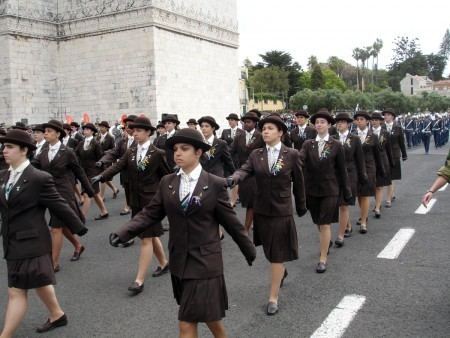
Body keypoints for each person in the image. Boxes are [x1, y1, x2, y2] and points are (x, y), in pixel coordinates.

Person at [109, 128, 256, 338]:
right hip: (179, 261)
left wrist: (248, 250)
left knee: (186, 323)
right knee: (207, 317)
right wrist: (124, 232)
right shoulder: (167, 182)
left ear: (198, 152)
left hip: (205, 264)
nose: (177, 153)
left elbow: (232, 223)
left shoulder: (214, 184)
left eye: (184, 149)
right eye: (175, 149)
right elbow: (150, 213)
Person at [0, 129, 88, 337]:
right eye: (4, 146)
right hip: (11, 242)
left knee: (17, 292)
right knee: (40, 280)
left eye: (10, 147)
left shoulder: (39, 178)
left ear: (24, 150)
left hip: (32, 242)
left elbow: (59, 205)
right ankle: (57, 314)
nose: (4, 150)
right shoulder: (4, 176)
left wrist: (79, 227)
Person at [230, 114, 306, 315]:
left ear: (280, 132)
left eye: (270, 128)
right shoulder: (256, 154)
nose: (265, 131)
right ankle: (281, 270)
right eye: (263, 129)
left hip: (282, 210)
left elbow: (299, 183)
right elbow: (244, 170)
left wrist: (301, 206)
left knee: (276, 255)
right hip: (262, 210)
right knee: (269, 251)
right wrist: (233, 179)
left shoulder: (292, 154)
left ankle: (273, 297)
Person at [92, 117, 170, 294]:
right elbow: (119, 165)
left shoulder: (158, 153)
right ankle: (164, 263)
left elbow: (167, 177)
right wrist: (101, 176)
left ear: (148, 132)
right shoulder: (132, 150)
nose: (135, 133)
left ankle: (139, 280)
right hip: (135, 200)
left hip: (151, 202)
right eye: (133, 131)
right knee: (150, 234)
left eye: (139, 131)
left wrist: (168, 199)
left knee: (146, 238)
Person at [31, 119, 95, 272]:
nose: (45, 133)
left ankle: (53, 263)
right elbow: (33, 168)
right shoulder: (43, 151)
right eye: (44, 131)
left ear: (58, 134)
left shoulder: (67, 152)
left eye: (49, 131)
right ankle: (78, 245)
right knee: (61, 225)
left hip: (63, 193)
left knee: (56, 228)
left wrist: (88, 190)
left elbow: (79, 171)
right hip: (48, 192)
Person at [300, 108, 351, 273]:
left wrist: (347, 190)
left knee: (325, 222)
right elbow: (299, 161)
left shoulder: (335, 145)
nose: (319, 124)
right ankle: (325, 241)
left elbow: (342, 170)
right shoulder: (308, 144)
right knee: (317, 221)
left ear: (329, 125)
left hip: (330, 189)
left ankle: (323, 258)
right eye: (317, 122)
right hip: (312, 189)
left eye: (322, 122)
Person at [333, 112, 367, 245]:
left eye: (342, 122)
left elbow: (360, 159)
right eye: (338, 122)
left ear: (348, 124)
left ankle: (343, 232)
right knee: (339, 203)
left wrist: (362, 175)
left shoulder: (355, 139)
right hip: (335, 175)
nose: (340, 124)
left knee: (344, 204)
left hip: (350, 174)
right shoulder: (332, 138)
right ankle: (347, 225)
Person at [230, 111, 264, 233]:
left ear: (255, 123)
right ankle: (257, 223)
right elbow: (231, 152)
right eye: (244, 122)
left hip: (257, 174)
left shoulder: (261, 136)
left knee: (251, 202)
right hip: (244, 174)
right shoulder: (239, 137)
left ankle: (246, 229)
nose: (245, 124)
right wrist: (233, 168)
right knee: (249, 201)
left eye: (248, 122)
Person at [97, 115, 137, 217]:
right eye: (126, 125)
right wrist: (102, 161)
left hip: (139, 174)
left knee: (141, 202)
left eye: (130, 125)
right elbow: (113, 153)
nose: (127, 127)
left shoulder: (141, 141)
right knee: (128, 192)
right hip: (126, 172)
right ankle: (128, 206)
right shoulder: (122, 141)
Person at [353, 111, 385, 234]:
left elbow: (378, 155)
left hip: (369, 167)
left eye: (362, 119)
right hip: (356, 168)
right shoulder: (352, 135)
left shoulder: (373, 136)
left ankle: (364, 221)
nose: (359, 121)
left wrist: (381, 170)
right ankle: (363, 214)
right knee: (359, 195)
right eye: (357, 119)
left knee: (365, 194)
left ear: (367, 121)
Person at [74, 123, 109, 220]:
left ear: (92, 132)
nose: (85, 131)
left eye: (87, 129)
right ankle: (104, 211)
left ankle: (81, 218)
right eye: (84, 129)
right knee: (95, 193)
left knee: (87, 194)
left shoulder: (96, 143)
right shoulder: (81, 143)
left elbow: (101, 158)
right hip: (84, 172)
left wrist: (102, 173)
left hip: (94, 172)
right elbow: (74, 155)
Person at [382, 109, 407, 207]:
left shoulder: (398, 127)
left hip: (394, 155)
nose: (386, 116)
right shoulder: (381, 127)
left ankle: (388, 199)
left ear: (392, 116)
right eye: (385, 115)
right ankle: (391, 194)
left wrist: (404, 154)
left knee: (391, 177)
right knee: (385, 177)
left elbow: (401, 142)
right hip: (384, 155)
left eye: (388, 115)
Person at [370, 113, 394, 218]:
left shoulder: (385, 133)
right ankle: (377, 202)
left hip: (382, 161)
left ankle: (378, 207)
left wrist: (391, 162)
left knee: (379, 186)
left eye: (376, 120)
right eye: (372, 120)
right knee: (374, 186)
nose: (374, 122)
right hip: (371, 162)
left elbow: (389, 149)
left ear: (380, 121)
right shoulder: (368, 133)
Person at [220, 113, 243, 207]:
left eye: (232, 120)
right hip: (227, 158)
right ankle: (228, 197)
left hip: (237, 158)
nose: (230, 121)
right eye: (229, 120)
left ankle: (236, 197)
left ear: (237, 121)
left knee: (236, 177)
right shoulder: (225, 131)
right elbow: (221, 143)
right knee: (227, 177)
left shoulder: (241, 132)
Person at [96, 121, 119, 200]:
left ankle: (101, 196)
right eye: (100, 127)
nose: (101, 128)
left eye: (102, 127)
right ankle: (114, 189)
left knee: (103, 177)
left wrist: (106, 152)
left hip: (107, 160)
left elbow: (114, 149)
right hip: (99, 160)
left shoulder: (110, 138)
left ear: (106, 128)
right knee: (104, 177)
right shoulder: (98, 137)